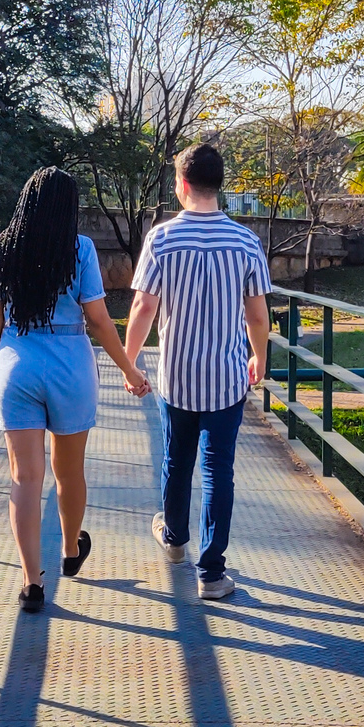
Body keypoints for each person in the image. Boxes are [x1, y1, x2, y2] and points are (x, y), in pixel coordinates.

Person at [0, 167, 150, 612]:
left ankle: (31, 583)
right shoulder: (81, 250)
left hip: (17, 364)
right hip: (70, 364)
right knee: (68, 472)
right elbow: (96, 319)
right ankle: (71, 550)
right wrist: (129, 369)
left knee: (24, 477)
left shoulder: (0, 248)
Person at [124, 141, 271, 600]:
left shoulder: (163, 239)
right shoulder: (245, 241)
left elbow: (143, 306)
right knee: (217, 472)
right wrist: (259, 356)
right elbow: (257, 314)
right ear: (218, 184)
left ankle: (174, 539)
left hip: (177, 378)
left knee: (176, 462)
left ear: (182, 184)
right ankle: (211, 573)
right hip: (227, 379)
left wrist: (130, 364)